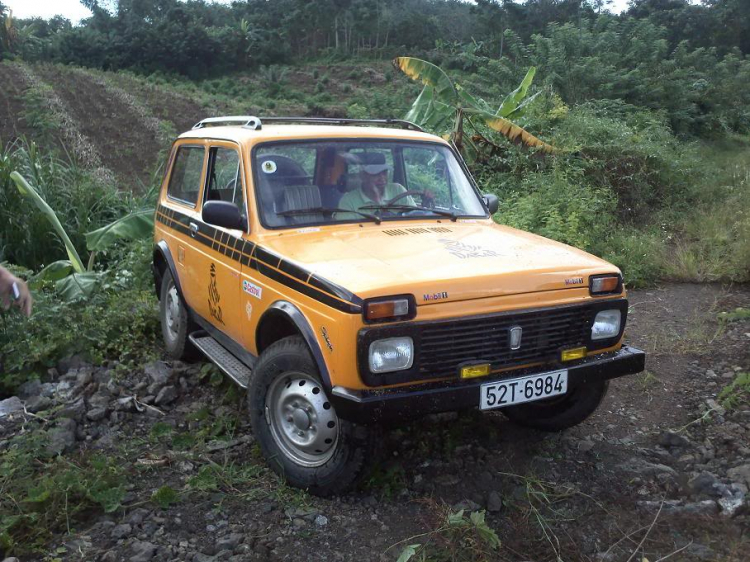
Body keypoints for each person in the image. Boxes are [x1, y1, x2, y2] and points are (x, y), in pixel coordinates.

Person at [336, 152, 415, 219]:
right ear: (363, 176)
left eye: (384, 173)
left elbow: (415, 216)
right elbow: (347, 233)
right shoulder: (348, 201)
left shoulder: (398, 190)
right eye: (376, 174)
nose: (382, 178)